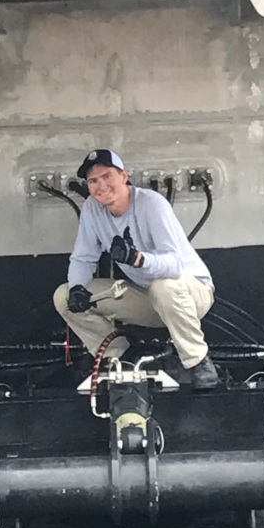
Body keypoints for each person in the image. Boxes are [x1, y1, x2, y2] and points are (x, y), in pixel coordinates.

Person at [53, 149, 219, 390]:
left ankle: (198, 361)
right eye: (93, 181)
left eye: (107, 176)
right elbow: (82, 258)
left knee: (164, 287)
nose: (101, 186)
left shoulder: (152, 204)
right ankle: (119, 357)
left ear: (124, 175)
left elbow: (174, 265)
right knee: (63, 297)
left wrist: (139, 259)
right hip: (147, 296)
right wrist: (78, 288)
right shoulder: (92, 208)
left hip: (191, 292)